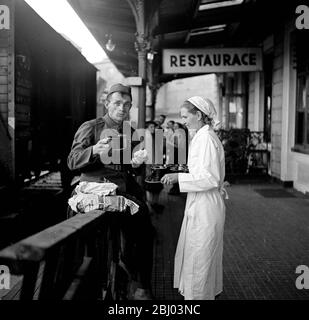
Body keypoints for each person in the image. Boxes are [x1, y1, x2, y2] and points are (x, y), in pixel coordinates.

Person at [67, 83, 154, 300]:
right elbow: (72, 161)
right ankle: (75, 282)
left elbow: (134, 169)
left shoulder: (132, 133)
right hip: (94, 188)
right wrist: (94, 150)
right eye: (117, 103)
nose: (122, 108)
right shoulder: (91, 127)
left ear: (131, 106)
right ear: (107, 104)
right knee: (76, 235)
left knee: (144, 225)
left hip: (122, 191)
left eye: (126, 104)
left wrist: (137, 164)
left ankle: (141, 285)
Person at [161, 96, 228, 300]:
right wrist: (178, 170)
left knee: (200, 258)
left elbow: (210, 177)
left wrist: (177, 177)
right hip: (201, 203)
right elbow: (201, 169)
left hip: (206, 205)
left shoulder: (206, 138)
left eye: (185, 116)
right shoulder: (201, 136)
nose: (184, 121)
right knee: (199, 256)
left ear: (198, 115)